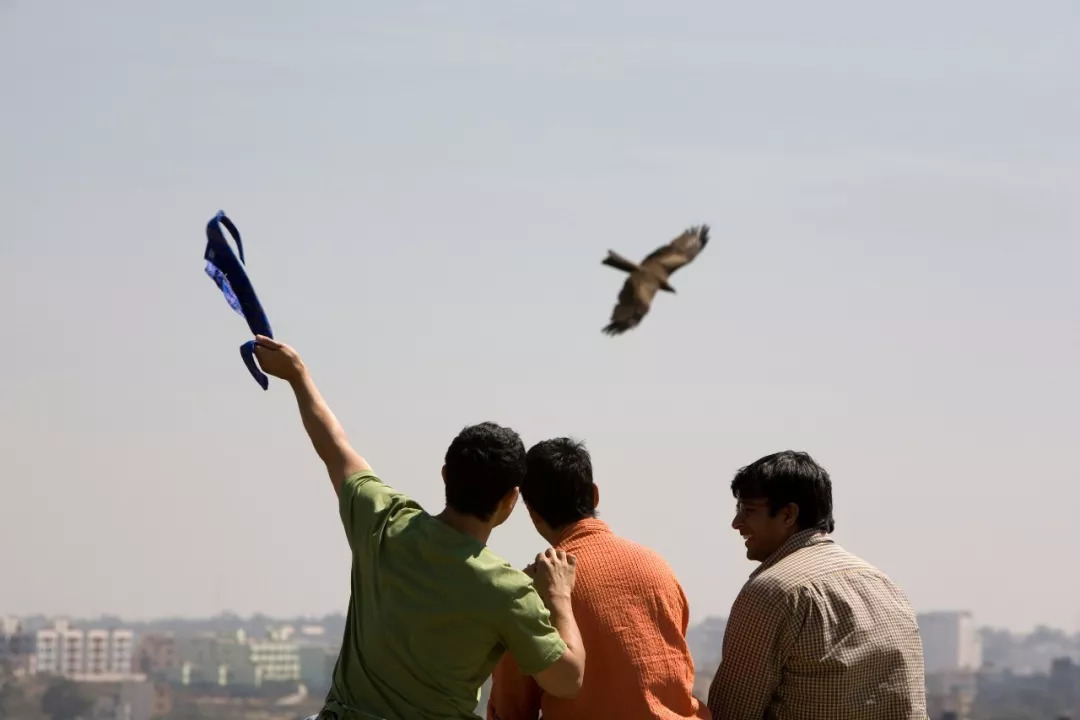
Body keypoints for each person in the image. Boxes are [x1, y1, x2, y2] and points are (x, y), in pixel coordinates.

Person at [250, 336, 586, 720]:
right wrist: (559, 596)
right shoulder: (507, 591)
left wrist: (298, 376)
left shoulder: (383, 520)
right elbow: (567, 679)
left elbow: (333, 446)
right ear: (511, 500)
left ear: (445, 475)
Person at [487, 437, 710, 720]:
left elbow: (511, 708)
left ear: (532, 512)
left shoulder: (533, 588)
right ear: (594, 495)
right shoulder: (657, 567)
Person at [707, 451, 927, 720]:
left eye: (748, 510)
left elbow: (732, 711)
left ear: (788, 514)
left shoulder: (774, 591)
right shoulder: (885, 585)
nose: (736, 523)